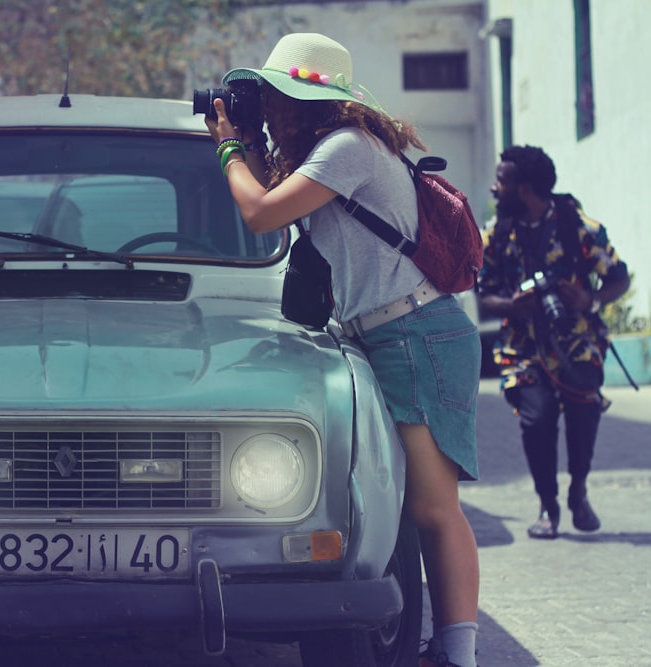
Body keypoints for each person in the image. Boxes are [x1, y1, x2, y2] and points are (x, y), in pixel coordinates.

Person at [204, 33, 481, 667]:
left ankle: (459, 654)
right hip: (386, 334)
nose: (270, 105)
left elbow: (261, 214)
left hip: (416, 334)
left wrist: (226, 147)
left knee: (434, 508)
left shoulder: (348, 148)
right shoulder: (332, 150)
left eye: (277, 95)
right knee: (405, 505)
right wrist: (246, 140)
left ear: (312, 100)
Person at [477, 145, 630, 540]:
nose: (495, 189)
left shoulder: (580, 228)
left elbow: (619, 277)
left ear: (524, 189)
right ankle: (548, 503)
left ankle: (578, 490)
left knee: (582, 413)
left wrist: (591, 299)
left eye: (501, 181)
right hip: (522, 348)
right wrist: (514, 303)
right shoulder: (497, 234)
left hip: (577, 342)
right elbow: (483, 295)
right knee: (537, 419)